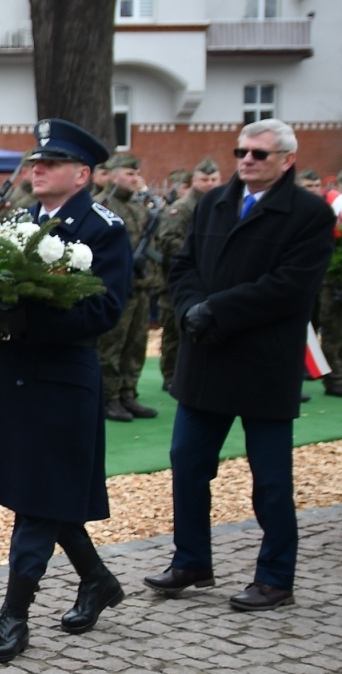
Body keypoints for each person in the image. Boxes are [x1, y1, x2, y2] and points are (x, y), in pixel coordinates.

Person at [143, 118, 334, 612]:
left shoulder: (309, 213)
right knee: (187, 461)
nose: (246, 159)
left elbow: (290, 287)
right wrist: (189, 310)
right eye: (241, 151)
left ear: (286, 160)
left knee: (270, 478)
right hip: (205, 357)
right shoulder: (215, 202)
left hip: (261, 363)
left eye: (259, 154)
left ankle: (274, 578)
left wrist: (217, 310)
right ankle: (191, 560)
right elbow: (183, 264)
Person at [0, 118, 132, 663]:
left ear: (81, 174)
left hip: (60, 380)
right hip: (13, 376)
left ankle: (13, 615)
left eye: (51, 163)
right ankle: (97, 579)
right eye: (35, 162)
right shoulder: (17, 222)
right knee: (39, 491)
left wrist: (23, 317)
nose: (36, 169)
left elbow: (103, 311)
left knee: (37, 498)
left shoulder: (104, 230)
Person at [96, 153, 161, 423]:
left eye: (136, 174)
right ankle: (109, 397)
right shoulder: (101, 206)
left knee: (136, 344)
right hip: (116, 288)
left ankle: (128, 393)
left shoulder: (139, 208)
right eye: (128, 174)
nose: (135, 179)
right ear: (111, 175)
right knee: (112, 345)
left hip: (141, 286)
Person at [156, 157, 220, 394]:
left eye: (214, 179)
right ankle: (171, 375)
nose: (210, 184)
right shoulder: (182, 208)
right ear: (194, 180)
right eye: (205, 179)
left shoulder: (221, 205)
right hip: (177, 280)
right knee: (174, 330)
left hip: (210, 281)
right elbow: (168, 241)